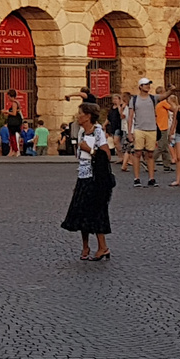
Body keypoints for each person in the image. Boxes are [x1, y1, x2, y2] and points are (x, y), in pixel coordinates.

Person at [60, 103, 114, 260]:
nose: (78, 116)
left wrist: (89, 150)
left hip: (95, 178)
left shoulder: (98, 132)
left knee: (96, 211)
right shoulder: (82, 131)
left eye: (80, 113)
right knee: (81, 211)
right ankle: (85, 247)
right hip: (82, 175)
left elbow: (107, 155)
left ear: (88, 116)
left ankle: (103, 247)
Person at [125, 78, 159, 187]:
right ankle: (137, 178)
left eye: (148, 84)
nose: (148, 86)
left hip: (151, 129)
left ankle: (151, 178)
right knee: (137, 153)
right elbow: (130, 117)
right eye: (145, 84)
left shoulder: (153, 98)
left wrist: (171, 91)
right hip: (139, 128)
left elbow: (164, 96)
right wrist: (129, 133)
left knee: (150, 154)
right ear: (140, 86)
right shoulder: (134, 99)